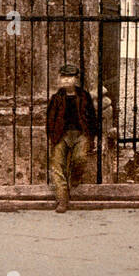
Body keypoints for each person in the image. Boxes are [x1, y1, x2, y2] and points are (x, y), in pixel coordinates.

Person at [46, 63, 98, 214]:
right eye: (63, 77)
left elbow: (92, 118)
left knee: (80, 158)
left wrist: (92, 137)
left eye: (70, 77)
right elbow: (50, 119)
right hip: (61, 135)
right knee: (57, 167)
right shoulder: (56, 98)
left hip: (80, 134)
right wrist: (52, 136)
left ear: (76, 79)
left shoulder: (84, 96)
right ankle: (62, 199)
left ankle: (75, 176)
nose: (66, 80)